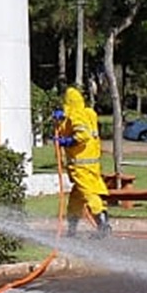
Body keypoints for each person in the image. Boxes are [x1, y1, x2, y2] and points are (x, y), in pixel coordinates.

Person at [53, 87, 110, 237]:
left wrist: (67, 141)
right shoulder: (88, 113)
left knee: (89, 194)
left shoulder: (75, 114)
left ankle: (103, 226)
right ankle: (72, 231)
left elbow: (82, 135)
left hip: (81, 165)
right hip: (92, 164)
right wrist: (61, 120)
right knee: (76, 199)